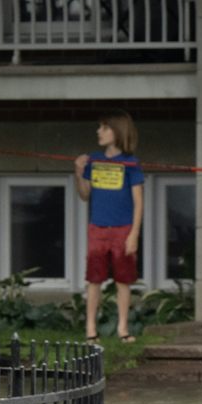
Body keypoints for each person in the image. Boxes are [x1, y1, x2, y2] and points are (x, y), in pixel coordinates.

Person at [73, 110, 144, 344]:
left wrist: (134, 234)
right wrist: (79, 172)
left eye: (104, 128)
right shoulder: (94, 160)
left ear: (117, 132)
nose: (99, 132)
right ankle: (91, 329)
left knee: (123, 280)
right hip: (98, 228)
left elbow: (138, 202)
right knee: (94, 278)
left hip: (123, 228)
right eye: (99, 127)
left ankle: (123, 328)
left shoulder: (130, 164)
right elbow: (85, 194)